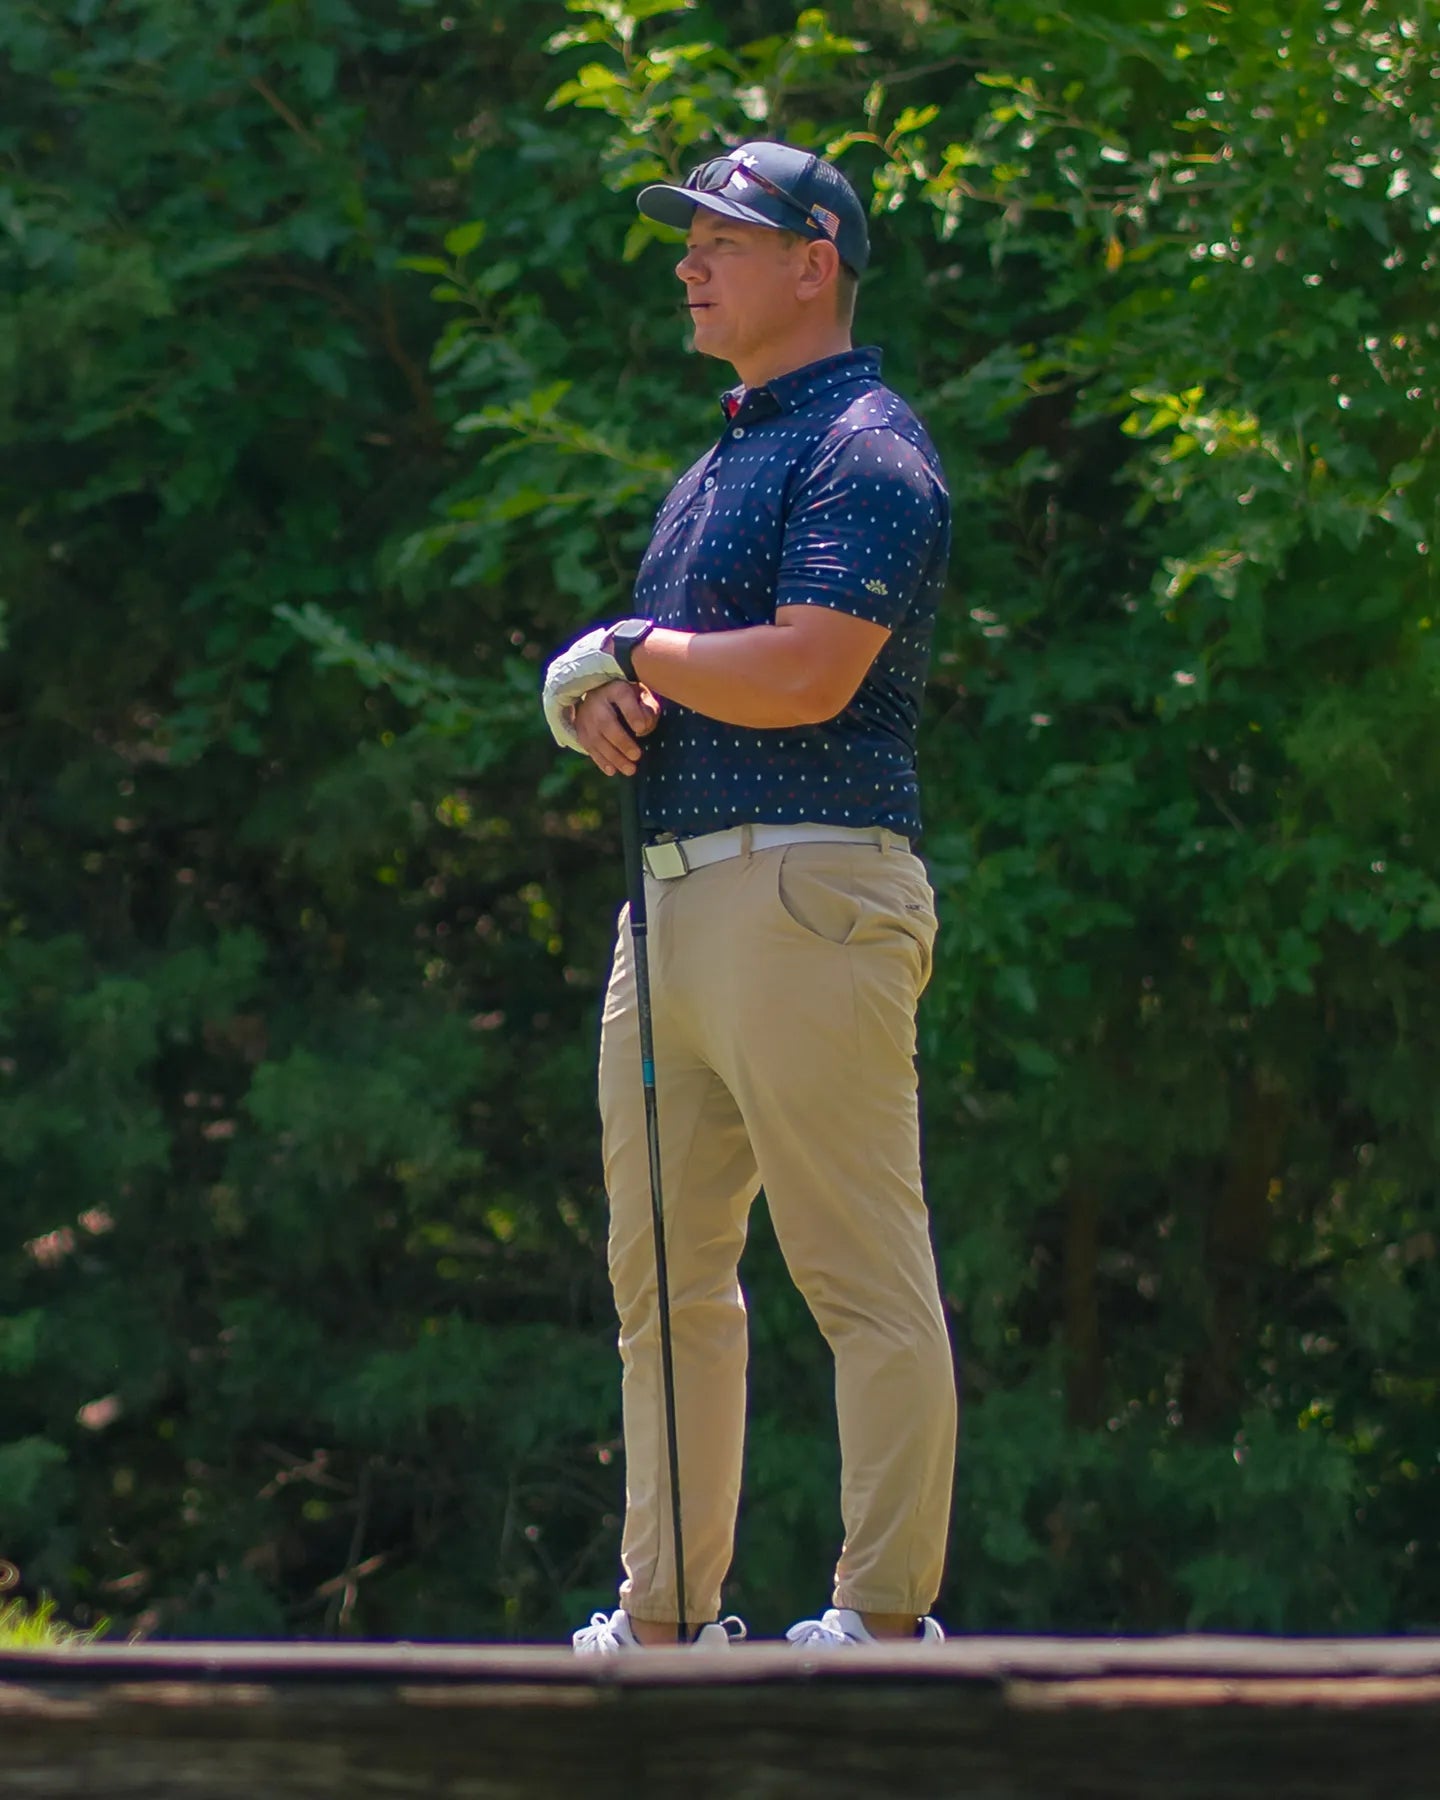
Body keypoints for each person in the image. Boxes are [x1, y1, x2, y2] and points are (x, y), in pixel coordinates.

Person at [542, 141, 956, 1652]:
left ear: (816, 262)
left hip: (815, 892)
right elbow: (687, 682)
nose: (688, 261)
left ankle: (884, 1620)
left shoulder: (870, 447)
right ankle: (667, 1625)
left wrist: (628, 650)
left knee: (860, 1275)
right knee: (665, 1286)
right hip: (674, 912)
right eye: (689, 236)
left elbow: (803, 670)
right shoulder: (719, 459)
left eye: (723, 236)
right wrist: (608, 702)